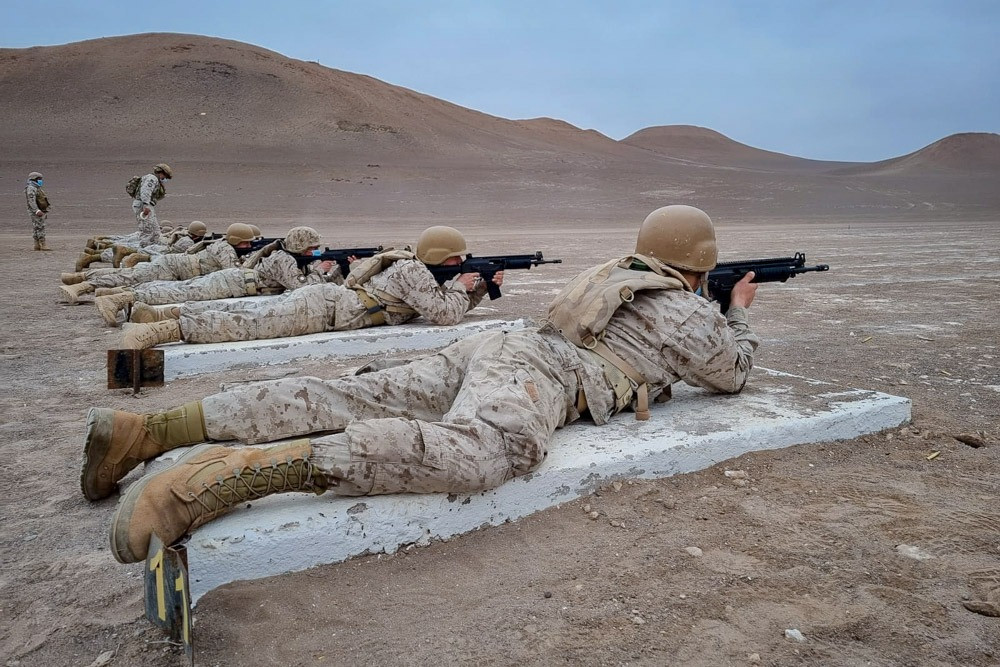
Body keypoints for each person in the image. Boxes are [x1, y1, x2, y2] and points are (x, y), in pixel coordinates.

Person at [79, 205, 760, 565]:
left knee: (348, 394)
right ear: (701, 263)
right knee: (488, 451)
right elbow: (730, 374)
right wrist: (738, 317)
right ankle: (234, 475)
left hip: (498, 346)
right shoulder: (686, 308)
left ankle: (151, 431)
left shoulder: (619, 273)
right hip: (538, 372)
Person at [114, 225, 502, 349]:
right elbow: (445, 315)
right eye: (457, 260)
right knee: (248, 324)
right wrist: (464, 287)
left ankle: (160, 315)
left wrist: (478, 288)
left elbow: (443, 304)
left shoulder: (417, 271)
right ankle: (164, 328)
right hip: (325, 308)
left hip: (329, 302)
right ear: (440, 256)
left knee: (249, 313)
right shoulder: (415, 273)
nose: (461, 265)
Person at [94, 226, 347, 326]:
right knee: (180, 292)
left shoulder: (289, 258)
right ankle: (117, 298)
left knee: (181, 292)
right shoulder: (282, 259)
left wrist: (333, 269)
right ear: (301, 247)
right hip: (230, 282)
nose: (314, 252)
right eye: (311, 248)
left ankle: (115, 295)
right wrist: (322, 270)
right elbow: (302, 288)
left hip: (237, 284)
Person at [58, 223, 255, 304]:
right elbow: (232, 272)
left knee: (134, 279)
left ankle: (83, 279)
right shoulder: (225, 249)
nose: (249, 245)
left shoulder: (223, 245)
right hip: (170, 266)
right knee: (130, 275)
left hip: (176, 271)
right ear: (236, 240)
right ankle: (82, 285)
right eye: (246, 242)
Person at [133, 163, 172, 247]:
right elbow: (145, 192)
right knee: (147, 230)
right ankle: (144, 250)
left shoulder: (154, 179)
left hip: (147, 205)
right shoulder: (152, 179)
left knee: (156, 231)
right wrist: (146, 206)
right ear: (161, 173)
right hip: (143, 205)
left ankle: (154, 248)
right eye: (165, 177)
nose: (165, 179)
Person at [25, 172, 51, 251]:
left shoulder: (36, 187)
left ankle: (37, 245)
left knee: (36, 227)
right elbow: (31, 201)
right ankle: (43, 244)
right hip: (36, 211)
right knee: (40, 227)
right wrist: (36, 210)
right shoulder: (31, 188)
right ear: (35, 179)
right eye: (39, 179)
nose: (41, 181)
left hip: (39, 210)